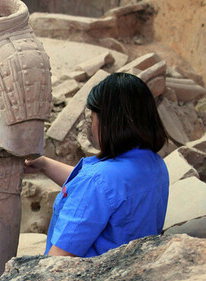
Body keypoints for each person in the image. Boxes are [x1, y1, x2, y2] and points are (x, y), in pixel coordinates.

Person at [25, 72, 169, 257]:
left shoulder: (97, 181)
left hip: (85, 274)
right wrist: (44, 165)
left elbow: (58, 259)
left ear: (107, 123)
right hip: (132, 266)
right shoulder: (155, 164)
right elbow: (104, 192)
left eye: (92, 118)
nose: (91, 126)